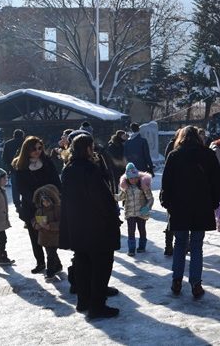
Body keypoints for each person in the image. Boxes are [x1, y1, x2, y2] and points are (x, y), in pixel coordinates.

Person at [60, 133, 122, 319]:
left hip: (77, 226)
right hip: (96, 226)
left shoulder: (68, 169)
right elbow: (102, 199)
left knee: (83, 264)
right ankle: (97, 306)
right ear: (88, 148)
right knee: (101, 266)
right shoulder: (90, 169)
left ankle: (83, 301)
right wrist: (113, 216)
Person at [160, 126, 220, 299]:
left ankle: (176, 280)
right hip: (201, 206)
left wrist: (166, 202)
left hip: (179, 207)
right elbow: (217, 182)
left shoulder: (174, 155)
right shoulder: (208, 155)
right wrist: (214, 202)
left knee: (179, 244)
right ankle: (196, 283)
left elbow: (167, 182)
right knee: (197, 246)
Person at [12, 136, 62, 275]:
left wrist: (54, 198)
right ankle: (41, 262)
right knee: (34, 235)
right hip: (32, 206)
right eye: (34, 149)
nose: (38, 151)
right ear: (27, 149)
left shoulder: (47, 162)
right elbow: (21, 187)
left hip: (48, 206)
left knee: (46, 233)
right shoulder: (20, 166)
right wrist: (36, 199)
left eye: (40, 148)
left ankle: (53, 262)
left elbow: (56, 182)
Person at [118, 162, 153, 256]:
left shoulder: (143, 186)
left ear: (138, 177)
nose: (133, 180)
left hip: (141, 213)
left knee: (142, 229)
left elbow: (150, 198)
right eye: (131, 178)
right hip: (130, 213)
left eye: (135, 177)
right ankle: (131, 249)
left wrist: (147, 207)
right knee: (131, 231)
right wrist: (111, 196)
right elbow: (120, 197)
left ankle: (142, 246)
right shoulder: (126, 188)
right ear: (127, 178)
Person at [32, 184, 61, 279]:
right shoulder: (40, 210)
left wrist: (51, 226)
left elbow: (61, 223)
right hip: (44, 237)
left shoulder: (57, 209)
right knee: (51, 254)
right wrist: (37, 225)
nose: (45, 203)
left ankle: (50, 272)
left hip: (54, 237)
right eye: (43, 202)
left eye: (47, 201)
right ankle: (58, 266)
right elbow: (34, 220)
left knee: (50, 255)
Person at [2, 129, 25, 210]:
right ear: (22, 135)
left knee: (15, 187)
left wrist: (9, 166)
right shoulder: (25, 143)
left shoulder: (8, 144)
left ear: (13, 135)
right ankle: (25, 201)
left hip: (13, 168)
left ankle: (17, 204)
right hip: (25, 168)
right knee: (26, 185)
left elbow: (4, 157)